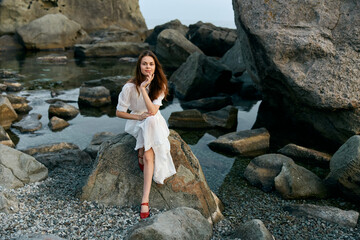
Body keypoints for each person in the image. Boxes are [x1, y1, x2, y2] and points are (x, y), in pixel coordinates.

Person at [115, 50, 176, 219]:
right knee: (146, 121)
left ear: (155, 66)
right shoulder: (128, 87)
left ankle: (145, 199)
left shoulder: (160, 85)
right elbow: (119, 112)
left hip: (154, 122)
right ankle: (142, 150)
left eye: (151, 64)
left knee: (150, 121)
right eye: (144, 64)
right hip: (136, 121)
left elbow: (152, 111)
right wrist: (137, 116)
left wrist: (144, 89)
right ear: (139, 66)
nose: (147, 67)